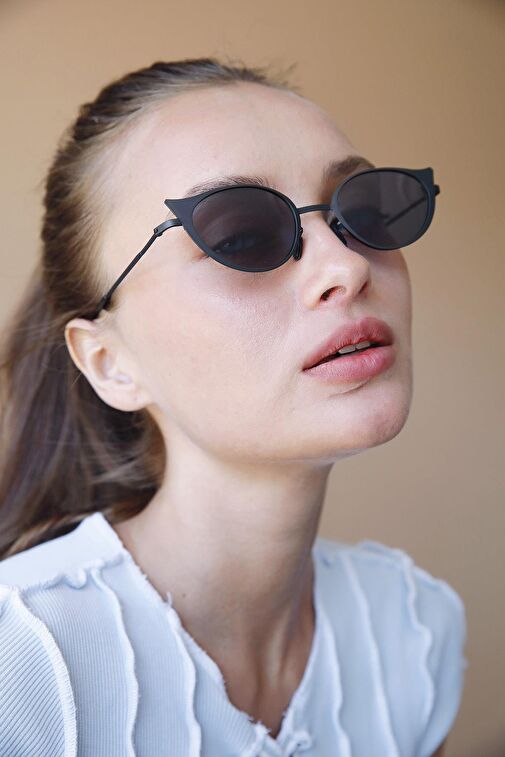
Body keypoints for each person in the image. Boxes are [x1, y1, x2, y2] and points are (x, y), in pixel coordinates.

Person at [0, 57, 467, 756]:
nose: (347, 266)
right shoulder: (20, 662)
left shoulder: (411, 630)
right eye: (241, 237)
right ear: (109, 362)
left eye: (362, 213)